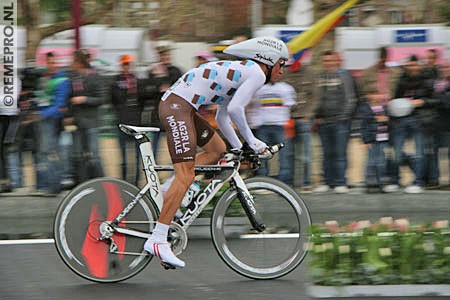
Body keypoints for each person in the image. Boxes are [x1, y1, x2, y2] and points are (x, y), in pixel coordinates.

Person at [143, 36, 289, 268]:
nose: (283, 70)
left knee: (217, 150)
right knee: (186, 175)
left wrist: (239, 147)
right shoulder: (257, 73)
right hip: (178, 106)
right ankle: (158, 240)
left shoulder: (242, 71)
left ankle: (166, 191)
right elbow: (236, 109)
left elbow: (223, 115)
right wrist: (251, 141)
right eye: (282, 64)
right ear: (269, 60)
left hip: (183, 106)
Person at [313, 50, 358, 194]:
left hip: (340, 122)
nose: (328, 64)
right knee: (326, 153)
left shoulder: (344, 76)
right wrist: (317, 116)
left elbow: (351, 99)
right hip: (323, 122)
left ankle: (340, 182)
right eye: (326, 61)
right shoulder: (319, 77)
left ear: (337, 61)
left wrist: (343, 117)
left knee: (340, 153)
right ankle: (327, 182)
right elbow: (316, 98)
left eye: (331, 61)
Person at [389, 54, 434, 194]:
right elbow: (395, 98)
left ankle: (418, 182)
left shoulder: (428, 80)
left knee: (419, 152)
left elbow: (436, 100)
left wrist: (422, 102)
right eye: (410, 65)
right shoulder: (402, 80)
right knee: (397, 151)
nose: (413, 68)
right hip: (401, 118)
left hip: (420, 119)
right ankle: (395, 181)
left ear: (419, 65)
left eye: (415, 65)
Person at [33, 52, 70, 195]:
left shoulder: (62, 80)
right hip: (43, 120)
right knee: (44, 152)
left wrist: (41, 114)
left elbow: (60, 104)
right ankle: (45, 184)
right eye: (49, 63)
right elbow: (41, 98)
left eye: (54, 63)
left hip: (54, 121)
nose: (51, 65)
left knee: (51, 152)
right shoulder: (43, 79)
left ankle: (54, 185)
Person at [67, 49, 105, 183]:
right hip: (77, 122)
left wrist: (85, 99)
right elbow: (69, 97)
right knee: (78, 155)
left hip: (91, 122)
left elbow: (101, 99)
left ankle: (101, 182)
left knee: (94, 155)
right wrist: (69, 115)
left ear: (80, 62)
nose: (72, 63)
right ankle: (82, 183)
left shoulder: (94, 76)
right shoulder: (73, 77)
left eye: (74, 61)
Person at [253, 77, 296, 185]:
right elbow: (256, 106)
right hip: (263, 126)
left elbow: (290, 106)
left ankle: (285, 183)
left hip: (280, 125)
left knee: (284, 156)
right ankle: (263, 182)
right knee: (262, 156)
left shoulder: (286, 88)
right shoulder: (259, 88)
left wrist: (287, 123)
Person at [142, 45, 183, 159]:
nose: (165, 58)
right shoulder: (152, 71)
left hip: (173, 112)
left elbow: (177, 87)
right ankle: (154, 168)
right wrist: (160, 80)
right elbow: (148, 90)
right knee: (155, 143)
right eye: (162, 55)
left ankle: (175, 170)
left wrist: (164, 80)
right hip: (158, 112)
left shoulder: (175, 71)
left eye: (167, 55)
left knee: (175, 143)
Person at [111, 54, 143, 186]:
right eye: (124, 64)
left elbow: (142, 99)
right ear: (121, 66)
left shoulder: (137, 81)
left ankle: (136, 182)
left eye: (128, 64)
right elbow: (113, 99)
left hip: (136, 122)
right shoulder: (116, 82)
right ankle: (124, 182)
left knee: (136, 156)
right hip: (122, 122)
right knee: (123, 157)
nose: (126, 67)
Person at [283, 63, 316, 191]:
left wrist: (308, 114)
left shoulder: (310, 73)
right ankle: (289, 183)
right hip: (288, 119)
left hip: (304, 118)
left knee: (305, 154)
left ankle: (306, 182)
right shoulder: (284, 72)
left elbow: (315, 97)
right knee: (288, 153)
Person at [359, 83, 389, 192]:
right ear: (367, 95)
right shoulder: (365, 108)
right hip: (372, 139)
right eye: (372, 94)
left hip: (383, 138)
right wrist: (366, 140)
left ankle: (381, 182)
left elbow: (388, 119)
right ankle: (369, 183)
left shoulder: (384, 107)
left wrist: (386, 119)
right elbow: (364, 126)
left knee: (381, 161)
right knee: (371, 161)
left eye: (378, 94)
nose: (375, 96)